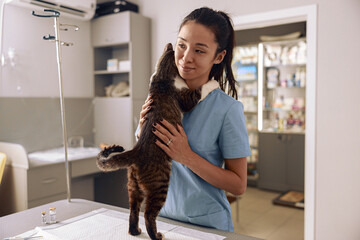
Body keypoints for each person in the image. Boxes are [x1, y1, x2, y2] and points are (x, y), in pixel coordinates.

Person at [136, 7, 251, 232]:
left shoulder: (228, 109)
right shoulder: (159, 94)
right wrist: (142, 134)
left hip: (206, 226)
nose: (186, 58)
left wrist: (187, 156)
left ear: (218, 56)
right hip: (162, 218)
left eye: (199, 50)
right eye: (182, 45)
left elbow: (238, 185)